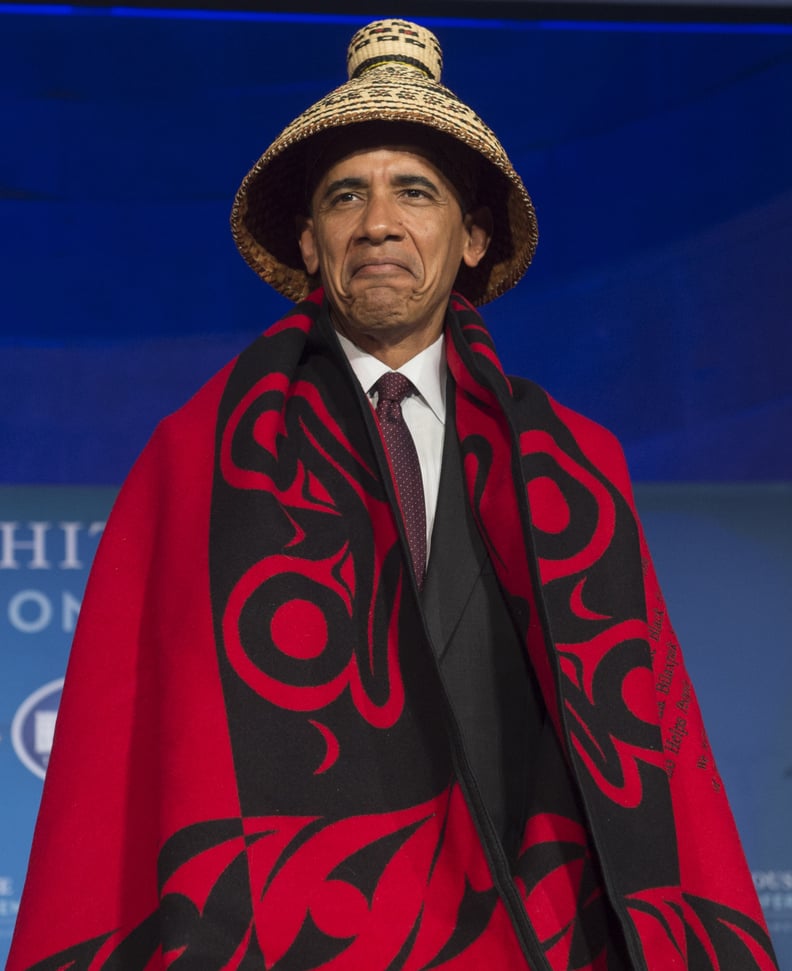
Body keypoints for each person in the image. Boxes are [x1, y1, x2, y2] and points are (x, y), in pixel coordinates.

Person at [7, 18, 778, 971]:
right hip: (301, 942)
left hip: (536, 938)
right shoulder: (192, 459)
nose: (378, 222)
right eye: (345, 197)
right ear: (308, 238)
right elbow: (128, 762)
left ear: (471, 238)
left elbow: (650, 753)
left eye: (414, 192)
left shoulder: (580, 463)